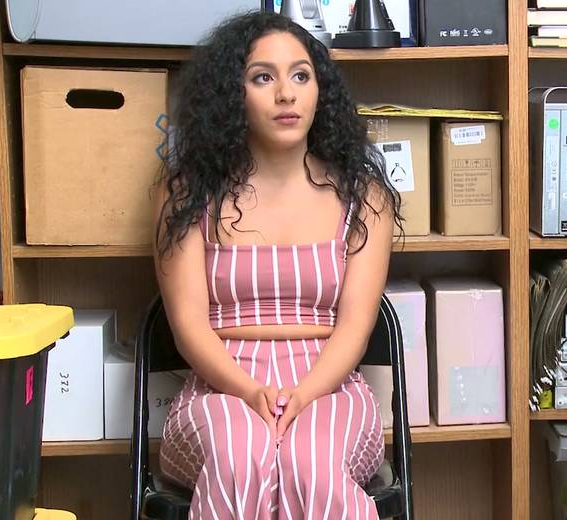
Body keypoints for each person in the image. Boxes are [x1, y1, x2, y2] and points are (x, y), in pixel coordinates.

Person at [152, 10, 402, 520]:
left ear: (320, 91)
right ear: (233, 95)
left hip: (330, 384)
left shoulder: (366, 197)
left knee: (310, 462)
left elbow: (356, 327)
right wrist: (250, 392)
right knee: (242, 454)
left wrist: (304, 395)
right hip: (219, 387)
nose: (286, 94)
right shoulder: (185, 195)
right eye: (263, 77)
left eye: (301, 76)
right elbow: (188, 326)